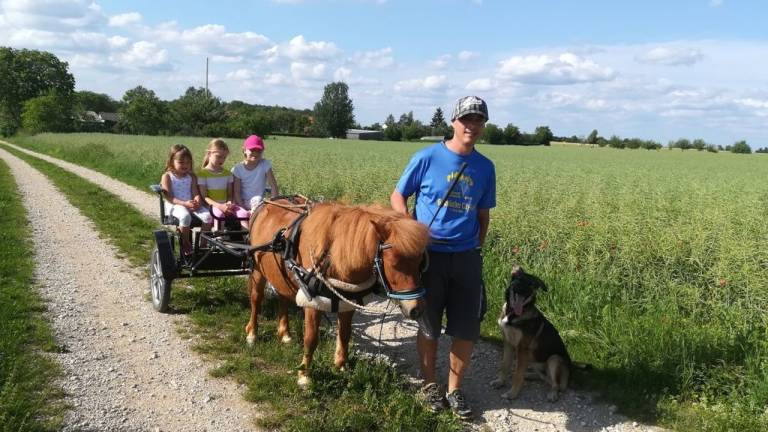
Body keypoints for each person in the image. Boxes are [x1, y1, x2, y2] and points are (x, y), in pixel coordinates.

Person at [390, 96, 496, 420]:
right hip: (429, 257)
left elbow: (483, 215)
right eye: (466, 119)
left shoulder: (485, 167)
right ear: (453, 122)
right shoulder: (427, 157)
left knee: (466, 328)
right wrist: (409, 229)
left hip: (466, 258)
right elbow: (398, 195)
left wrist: (475, 248)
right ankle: (429, 385)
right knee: (429, 325)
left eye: (478, 120)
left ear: (483, 125)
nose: (471, 126)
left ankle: (454, 389)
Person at [160, 144, 212, 256]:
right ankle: (186, 244)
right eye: (181, 162)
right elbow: (169, 197)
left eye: (188, 162)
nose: (185, 165)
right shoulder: (167, 176)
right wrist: (184, 203)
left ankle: (203, 245)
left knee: (208, 216)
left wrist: (197, 201)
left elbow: (195, 193)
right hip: (175, 205)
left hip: (190, 204)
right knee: (185, 216)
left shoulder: (191, 176)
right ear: (171, 162)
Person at [197, 138, 247, 230]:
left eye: (224, 157)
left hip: (226, 205)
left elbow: (230, 194)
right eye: (218, 156)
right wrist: (220, 206)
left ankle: (247, 237)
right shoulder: (203, 174)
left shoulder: (227, 174)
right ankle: (219, 237)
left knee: (244, 214)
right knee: (219, 215)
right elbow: (205, 197)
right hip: (211, 206)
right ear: (209, 154)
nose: (222, 160)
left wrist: (229, 203)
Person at [232, 135, 279, 227]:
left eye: (259, 151)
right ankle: (249, 231)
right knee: (256, 202)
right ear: (244, 150)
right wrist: (243, 208)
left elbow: (273, 185)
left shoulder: (265, 164)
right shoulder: (237, 169)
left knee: (258, 200)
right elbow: (236, 192)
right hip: (242, 201)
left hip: (259, 202)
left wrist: (274, 203)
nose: (255, 153)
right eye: (252, 150)